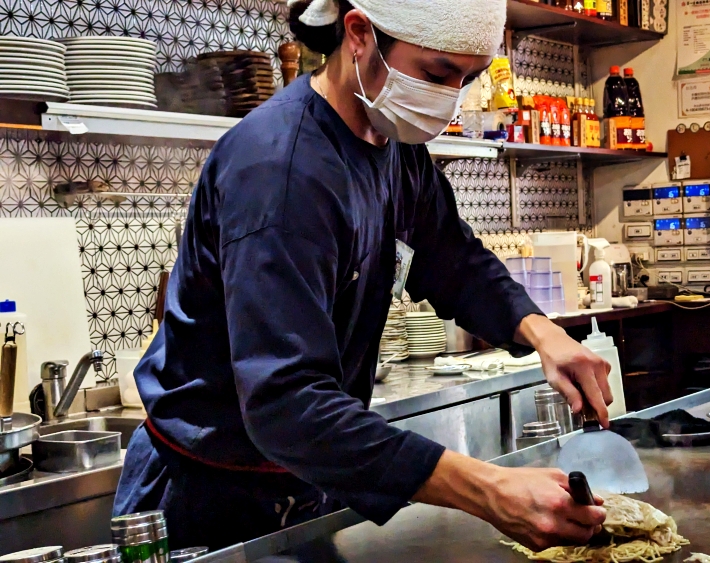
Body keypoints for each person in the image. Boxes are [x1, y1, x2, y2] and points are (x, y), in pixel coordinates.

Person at [113, 0, 614, 552]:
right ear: (359, 34)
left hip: (302, 481)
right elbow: (288, 405)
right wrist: (488, 488)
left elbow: (453, 259)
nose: (450, 98)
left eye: (467, 79)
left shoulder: (394, 147)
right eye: (436, 72)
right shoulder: (280, 173)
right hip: (205, 498)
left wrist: (544, 334)